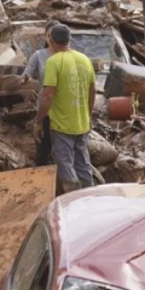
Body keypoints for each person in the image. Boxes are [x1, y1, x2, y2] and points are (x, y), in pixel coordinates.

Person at [34, 24, 97, 193]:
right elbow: (92, 93)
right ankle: (89, 197)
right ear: (69, 39)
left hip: (62, 124)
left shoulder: (53, 62)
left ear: (51, 40)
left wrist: (39, 120)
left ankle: (73, 199)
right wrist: (87, 115)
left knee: (65, 164)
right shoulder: (85, 59)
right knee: (83, 163)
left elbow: (47, 96)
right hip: (81, 123)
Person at [22, 20, 59, 166]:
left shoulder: (68, 56)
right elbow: (27, 72)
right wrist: (24, 78)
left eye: (54, 35)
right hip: (46, 108)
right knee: (44, 148)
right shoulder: (38, 56)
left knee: (64, 149)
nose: (51, 39)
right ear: (45, 36)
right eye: (49, 35)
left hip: (64, 108)